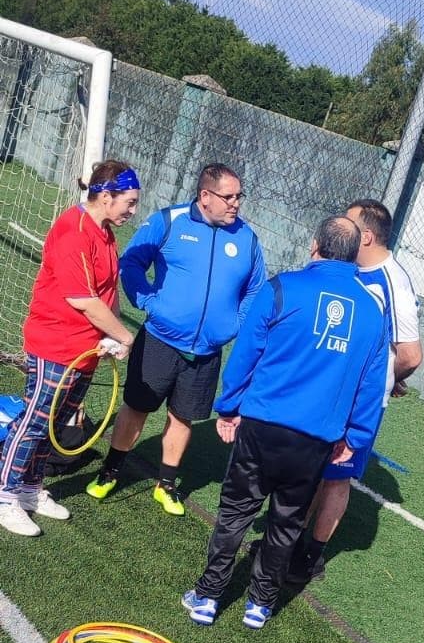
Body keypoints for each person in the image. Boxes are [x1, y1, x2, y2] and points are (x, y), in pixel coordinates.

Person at [182, 214, 388, 631]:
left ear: (316, 245)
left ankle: (207, 595)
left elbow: (246, 354)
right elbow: (372, 381)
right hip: (315, 440)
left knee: (236, 512)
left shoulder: (282, 287)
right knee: (287, 521)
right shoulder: (371, 311)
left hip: (262, 426)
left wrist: (228, 407)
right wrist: (358, 436)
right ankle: (259, 604)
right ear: (354, 257)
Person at [87, 161, 266, 516]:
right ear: (205, 196)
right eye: (228, 197)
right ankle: (111, 470)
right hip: (159, 341)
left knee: (183, 418)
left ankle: (166, 484)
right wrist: (149, 302)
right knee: (137, 408)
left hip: (207, 352)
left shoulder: (246, 238)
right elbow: (132, 264)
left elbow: (255, 289)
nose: (236, 204)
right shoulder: (169, 221)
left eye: (238, 196)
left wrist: (234, 323)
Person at [0, 160, 140, 537]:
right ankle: (4, 493)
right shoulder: (74, 231)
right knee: (34, 420)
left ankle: (30, 488)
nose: (132, 209)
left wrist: (107, 337)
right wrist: (125, 336)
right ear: (106, 196)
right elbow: (83, 299)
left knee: (55, 423)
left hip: (86, 348)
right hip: (55, 343)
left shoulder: (106, 232)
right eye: (129, 201)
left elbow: (106, 294)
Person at [287, 197, 422, 584]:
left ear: (365, 235)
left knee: (336, 475)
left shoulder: (392, 281)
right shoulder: (351, 270)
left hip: (358, 400)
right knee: (314, 464)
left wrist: (386, 379)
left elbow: (411, 354)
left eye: (347, 224)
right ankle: (289, 538)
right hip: (329, 388)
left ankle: (309, 557)